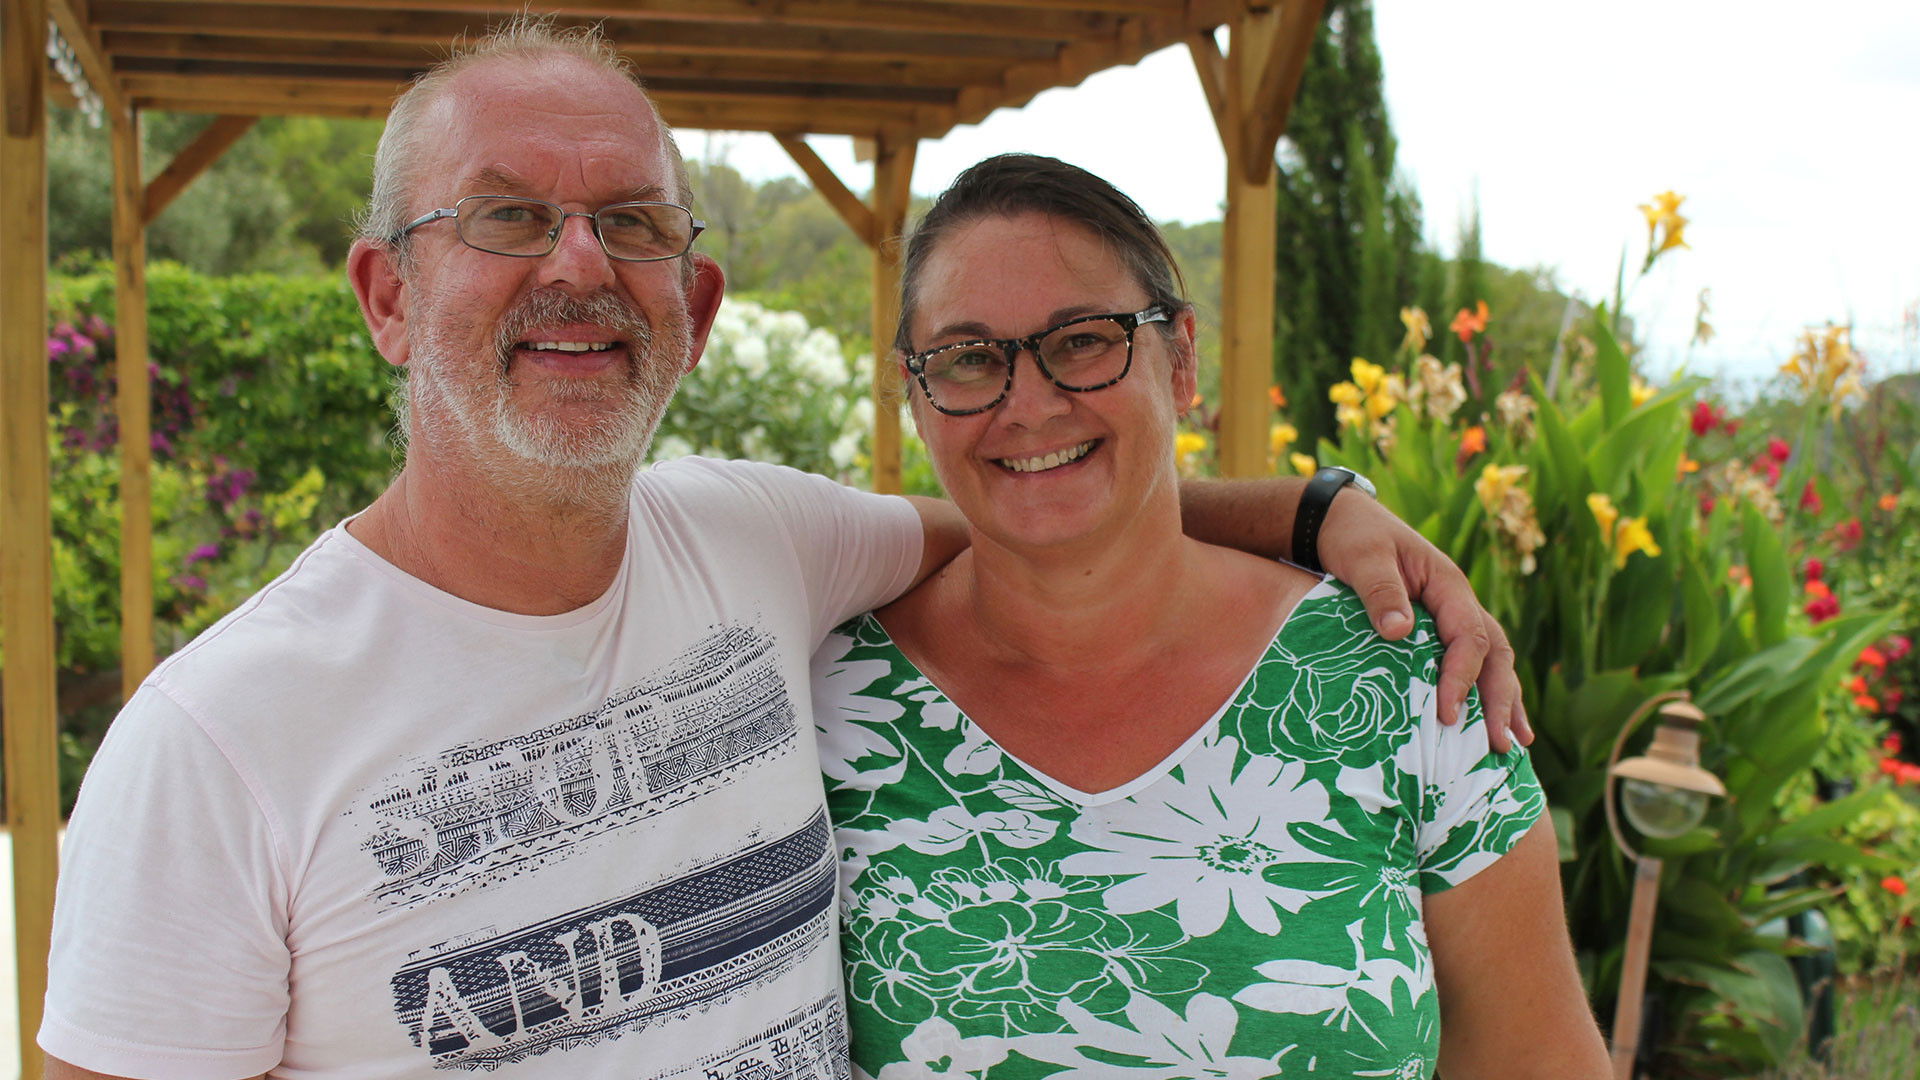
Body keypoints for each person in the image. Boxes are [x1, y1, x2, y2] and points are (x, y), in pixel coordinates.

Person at [40, 21, 1525, 1080]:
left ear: (693, 311)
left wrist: (1311, 513)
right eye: (507, 216)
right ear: (385, 295)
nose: (578, 263)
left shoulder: (756, 542)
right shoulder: (215, 746)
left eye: (633, 224)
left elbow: (1039, 502)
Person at [816, 155, 1609, 1079]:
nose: (1027, 405)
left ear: (1182, 357)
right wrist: (1311, 509)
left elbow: (1536, 1058)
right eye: (969, 359)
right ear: (915, 396)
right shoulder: (823, 709)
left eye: (1082, 341)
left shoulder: (1399, 681)